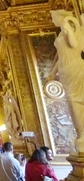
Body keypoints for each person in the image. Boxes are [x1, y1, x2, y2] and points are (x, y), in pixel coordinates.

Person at [49, 10, 84, 152]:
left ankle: (82, 135)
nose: (52, 21)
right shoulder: (60, 35)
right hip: (65, 72)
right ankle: (80, 133)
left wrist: (68, 29)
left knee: (77, 102)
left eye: (53, 18)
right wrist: (52, 72)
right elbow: (61, 57)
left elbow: (75, 45)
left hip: (75, 69)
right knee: (72, 103)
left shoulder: (72, 31)